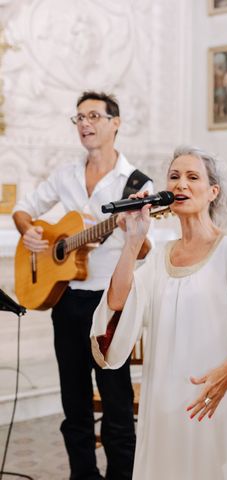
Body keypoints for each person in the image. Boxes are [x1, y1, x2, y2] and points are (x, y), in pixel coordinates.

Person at [90, 146, 227, 480]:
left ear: (213, 192)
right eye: (174, 177)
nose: (180, 183)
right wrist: (132, 240)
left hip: (219, 395)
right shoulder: (160, 257)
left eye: (192, 177)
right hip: (166, 397)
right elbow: (118, 304)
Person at [12, 91, 150, 480]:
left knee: (116, 402)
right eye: (78, 119)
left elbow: (147, 249)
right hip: (68, 302)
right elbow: (23, 210)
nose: (85, 124)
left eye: (93, 116)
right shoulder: (66, 174)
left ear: (115, 123)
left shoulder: (136, 184)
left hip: (111, 305)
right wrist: (32, 234)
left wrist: (134, 230)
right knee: (74, 404)